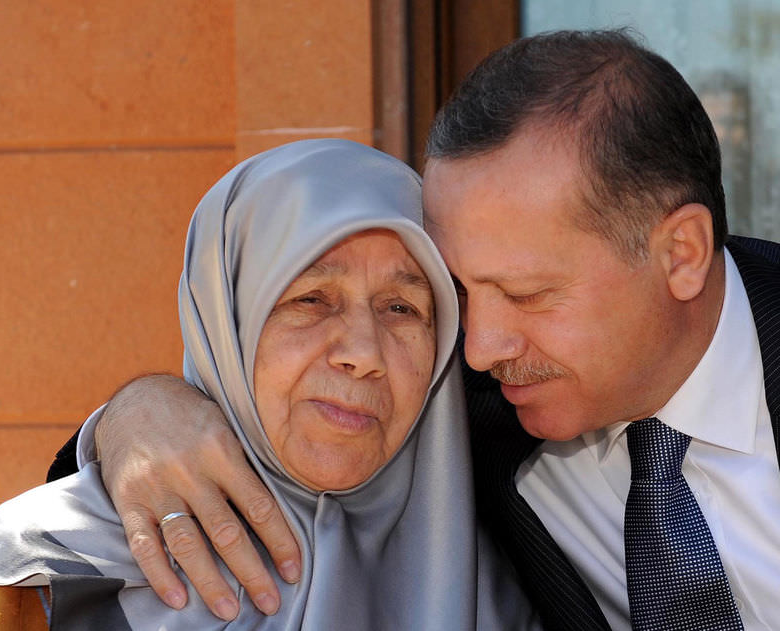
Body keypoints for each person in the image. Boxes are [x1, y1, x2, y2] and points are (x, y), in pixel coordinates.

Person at [47, 29, 780, 630]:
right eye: (456, 293)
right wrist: (137, 413)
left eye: (526, 293)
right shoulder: (458, 406)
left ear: (680, 254)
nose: (480, 347)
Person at [0, 139, 529, 630]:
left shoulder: (505, 587)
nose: (364, 354)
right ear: (225, 324)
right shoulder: (31, 583)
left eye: (402, 307)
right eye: (311, 299)